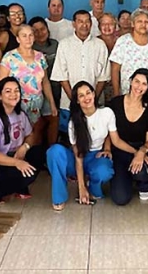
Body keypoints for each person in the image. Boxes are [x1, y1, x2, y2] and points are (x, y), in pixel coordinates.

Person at [46, 81, 115, 211]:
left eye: (88, 93)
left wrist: (107, 148)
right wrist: (81, 188)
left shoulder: (106, 113)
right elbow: (78, 156)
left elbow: (109, 134)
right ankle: (59, 196)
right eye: (81, 96)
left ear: (94, 94)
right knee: (54, 152)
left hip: (96, 156)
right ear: (77, 101)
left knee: (104, 170)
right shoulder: (74, 122)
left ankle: (94, 187)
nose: (86, 98)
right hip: (78, 157)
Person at [0, 77, 44, 203]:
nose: (13, 94)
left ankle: (16, 186)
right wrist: (17, 163)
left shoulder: (20, 115)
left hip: (13, 156)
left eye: (16, 91)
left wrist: (25, 147)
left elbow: (31, 135)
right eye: (8, 91)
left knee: (39, 154)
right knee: (26, 172)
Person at [51, 10, 110, 131]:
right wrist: (75, 100)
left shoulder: (100, 45)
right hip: (69, 104)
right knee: (69, 138)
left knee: (96, 137)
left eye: (87, 21)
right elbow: (62, 76)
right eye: (80, 21)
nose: (84, 25)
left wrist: (93, 99)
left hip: (95, 104)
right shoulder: (64, 45)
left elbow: (103, 77)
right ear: (74, 24)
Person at [107, 69, 148, 205]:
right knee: (120, 199)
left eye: (144, 84)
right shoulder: (115, 104)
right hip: (120, 149)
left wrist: (142, 151)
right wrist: (136, 153)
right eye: (136, 81)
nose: (139, 87)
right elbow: (111, 136)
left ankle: (144, 183)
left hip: (141, 148)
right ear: (130, 81)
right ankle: (126, 177)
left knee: (141, 172)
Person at [0, 24, 57, 126]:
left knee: (34, 134)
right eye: (24, 36)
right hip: (15, 103)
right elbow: (1, 83)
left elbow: (45, 82)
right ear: (18, 39)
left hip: (37, 104)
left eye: (30, 35)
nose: (28, 39)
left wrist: (52, 103)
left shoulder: (40, 56)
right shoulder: (9, 57)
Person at [110, 8, 148, 105]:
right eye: (139, 21)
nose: (143, 24)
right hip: (129, 95)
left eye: (146, 22)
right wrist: (117, 94)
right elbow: (115, 69)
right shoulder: (123, 41)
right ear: (132, 24)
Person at [30, 16, 60, 146]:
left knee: (54, 119)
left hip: (55, 88)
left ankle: (51, 148)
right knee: (38, 123)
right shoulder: (29, 48)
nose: (40, 33)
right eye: (35, 31)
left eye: (42, 29)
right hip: (35, 91)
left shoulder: (55, 45)